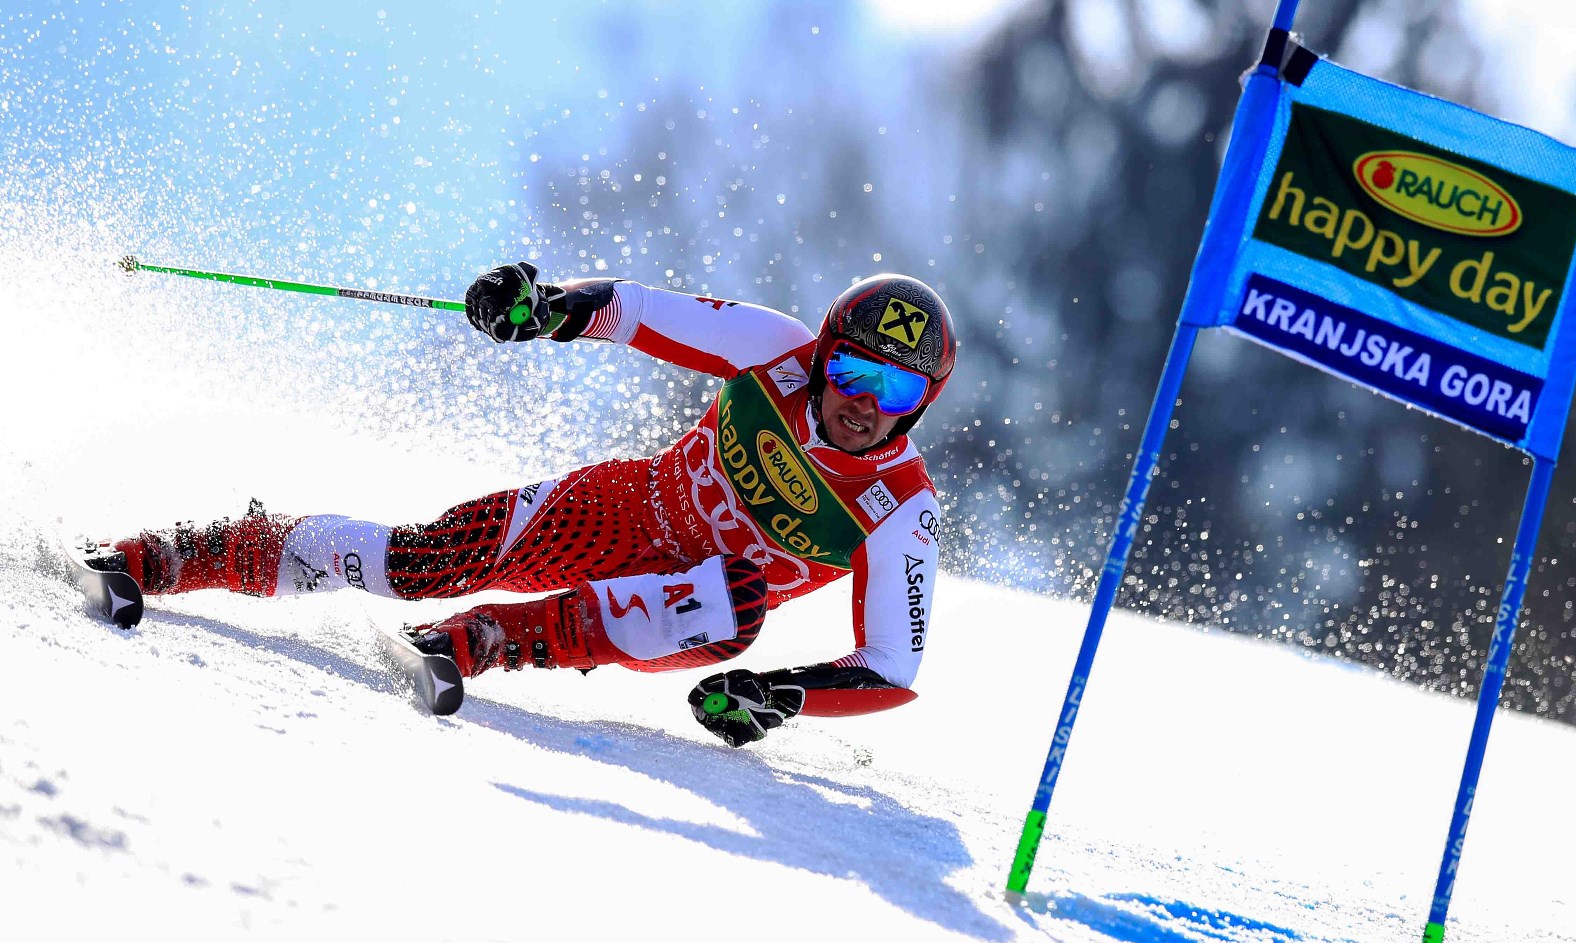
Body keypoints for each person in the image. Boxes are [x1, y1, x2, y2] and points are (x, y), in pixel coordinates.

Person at [87, 264, 956, 747]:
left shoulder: (900, 510)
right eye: (851, 369)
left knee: (737, 590)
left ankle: (484, 642)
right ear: (824, 354)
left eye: (896, 388)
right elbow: (632, 310)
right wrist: (544, 309)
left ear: (922, 404)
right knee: (414, 561)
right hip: (622, 506)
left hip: (689, 606)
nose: (863, 401)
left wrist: (779, 693)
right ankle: (173, 554)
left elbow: (891, 666)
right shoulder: (776, 350)